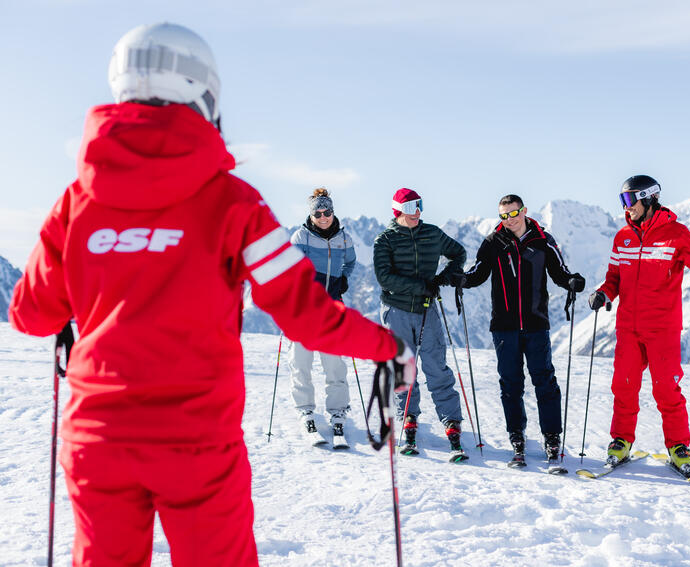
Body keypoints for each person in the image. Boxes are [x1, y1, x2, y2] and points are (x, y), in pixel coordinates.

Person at [7, 23, 413, 566]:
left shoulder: (76, 203)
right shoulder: (233, 203)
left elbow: (31, 315)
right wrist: (386, 346)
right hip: (194, 441)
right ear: (204, 95)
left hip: (96, 439)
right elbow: (305, 314)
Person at [587, 175, 690, 473]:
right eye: (622, 201)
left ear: (649, 198)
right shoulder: (622, 238)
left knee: (667, 389)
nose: (625, 207)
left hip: (663, 327)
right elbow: (614, 277)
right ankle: (621, 441)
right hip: (628, 326)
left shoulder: (676, 234)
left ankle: (678, 447)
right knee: (624, 386)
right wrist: (604, 293)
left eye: (629, 200)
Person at [461, 194, 585, 466]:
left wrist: (572, 281)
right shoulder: (493, 243)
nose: (510, 219)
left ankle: (552, 436)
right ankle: (516, 435)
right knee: (510, 384)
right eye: (504, 215)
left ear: (524, 211)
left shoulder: (543, 240)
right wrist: (462, 280)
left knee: (544, 381)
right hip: (504, 327)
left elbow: (559, 273)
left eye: (513, 213)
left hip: (536, 323)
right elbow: (478, 273)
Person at [373, 188, 468, 457]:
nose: (418, 211)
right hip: (397, 312)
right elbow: (384, 278)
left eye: (420, 205)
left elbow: (458, 254)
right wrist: (420, 286)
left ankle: (451, 420)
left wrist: (442, 279)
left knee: (437, 366)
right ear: (398, 210)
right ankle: (408, 417)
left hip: (428, 310)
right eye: (412, 206)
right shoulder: (385, 241)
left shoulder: (433, 233)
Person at [288, 188, 356, 442]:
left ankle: (338, 413)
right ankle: (305, 411)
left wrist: (343, 281)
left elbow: (351, 262)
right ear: (311, 214)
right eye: (318, 212)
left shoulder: (344, 239)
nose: (323, 216)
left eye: (327, 211)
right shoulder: (301, 237)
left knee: (335, 365)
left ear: (332, 212)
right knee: (301, 363)